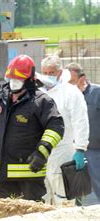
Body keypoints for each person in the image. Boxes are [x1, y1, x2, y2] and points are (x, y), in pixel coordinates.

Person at [0, 54, 64, 201]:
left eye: (18, 80)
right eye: (11, 79)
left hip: (30, 175)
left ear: (29, 80)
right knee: (3, 214)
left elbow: (56, 126)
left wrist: (42, 151)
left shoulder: (42, 101)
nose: (13, 83)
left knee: (31, 215)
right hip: (3, 175)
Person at [36, 56, 89, 206]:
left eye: (51, 72)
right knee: (42, 201)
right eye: (44, 72)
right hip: (41, 153)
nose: (47, 75)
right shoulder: (38, 93)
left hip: (63, 151)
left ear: (59, 73)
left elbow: (81, 121)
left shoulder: (70, 93)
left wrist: (80, 148)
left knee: (64, 199)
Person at [67, 62, 100, 204]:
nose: (69, 85)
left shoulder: (97, 93)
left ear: (83, 78)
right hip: (72, 151)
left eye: (72, 81)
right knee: (74, 189)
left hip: (95, 150)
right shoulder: (67, 96)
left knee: (98, 184)